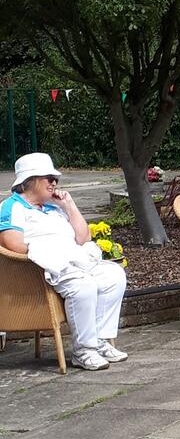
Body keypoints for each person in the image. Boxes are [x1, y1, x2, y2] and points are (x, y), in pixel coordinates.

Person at [0, 153, 128, 370]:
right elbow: (12, 244)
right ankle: (84, 350)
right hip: (40, 268)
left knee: (114, 276)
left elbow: (83, 238)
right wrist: (50, 254)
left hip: (72, 261)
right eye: (49, 178)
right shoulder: (12, 207)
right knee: (83, 285)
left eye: (55, 179)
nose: (54, 183)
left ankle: (99, 340)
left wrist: (69, 206)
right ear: (29, 180)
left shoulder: (53, 207)